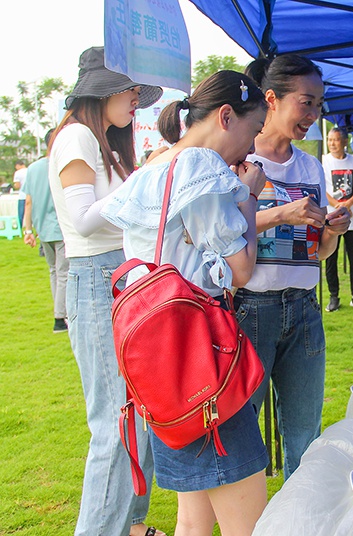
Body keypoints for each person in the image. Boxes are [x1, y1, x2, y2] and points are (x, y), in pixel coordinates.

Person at [102, 69, 269, 536]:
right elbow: (240, 270)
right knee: (248, 523)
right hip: (204, 365)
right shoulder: (200, 168)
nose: (251, 146)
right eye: (253, 129)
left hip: (160, 366)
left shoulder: (156, 165)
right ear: (225, 116)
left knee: (193, 519)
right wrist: (251, 199)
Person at [48, 46, 163, 536]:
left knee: (138, 419)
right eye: (132, 89)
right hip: (97, 280)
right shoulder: (76, 136)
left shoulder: (104, 142)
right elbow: (82, 220)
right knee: (116, 427)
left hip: (119, 280)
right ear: (105, 90)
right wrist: (145, 181)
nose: (137, 98)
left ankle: (131, 525)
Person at [238, 54, 350, 479]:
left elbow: (316, 254)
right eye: (306, 102)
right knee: (242, 429)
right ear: (272, 98)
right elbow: (215, 233)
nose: (314, 114)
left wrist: (333, 230)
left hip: (304, 308)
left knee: (305, 436)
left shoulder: (311, 167)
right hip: (250, 310)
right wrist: (280, 215)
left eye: (319, 104)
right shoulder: (241, 161)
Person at [21, 128, 68, 333]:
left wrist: (28, 230)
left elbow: (28, 201)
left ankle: (60, 313)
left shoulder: (32, 168)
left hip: (42, 229)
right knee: (63, 272)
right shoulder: (60, 164)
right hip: (60, 227)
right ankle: (60, 317)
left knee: (54, 271)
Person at [323, 127, 353, 312]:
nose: (332, 143)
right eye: (330, 139)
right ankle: (334, 296)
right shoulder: (324, 161)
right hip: (332, 218)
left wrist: (346, 205)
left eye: (336, 139)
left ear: (345, 142)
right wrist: (338, 207)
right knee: (330, 258)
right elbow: (321, 188)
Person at [14, 159, 27, 227]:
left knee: (21, 214)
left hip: (22, 195)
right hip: (31, 195)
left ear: (18, 165)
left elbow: (17, 185)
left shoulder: (18, 173)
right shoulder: (30, 170)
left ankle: (19, 228)